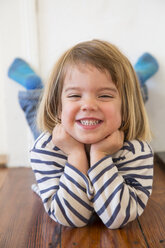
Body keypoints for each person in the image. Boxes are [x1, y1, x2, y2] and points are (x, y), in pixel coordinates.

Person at [8, 39, 158, 229]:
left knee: (126, 102)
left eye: (104, 95)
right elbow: (70, 218)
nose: (88, 105)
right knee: (36, 117)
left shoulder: (136, 151)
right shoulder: (44, 147)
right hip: (64, 132)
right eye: (74, 95)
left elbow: (119, 216)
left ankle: (137, 79)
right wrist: (75, 155)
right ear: (57, 107)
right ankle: (34, 87)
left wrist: (100, 155)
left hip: (105, 121)